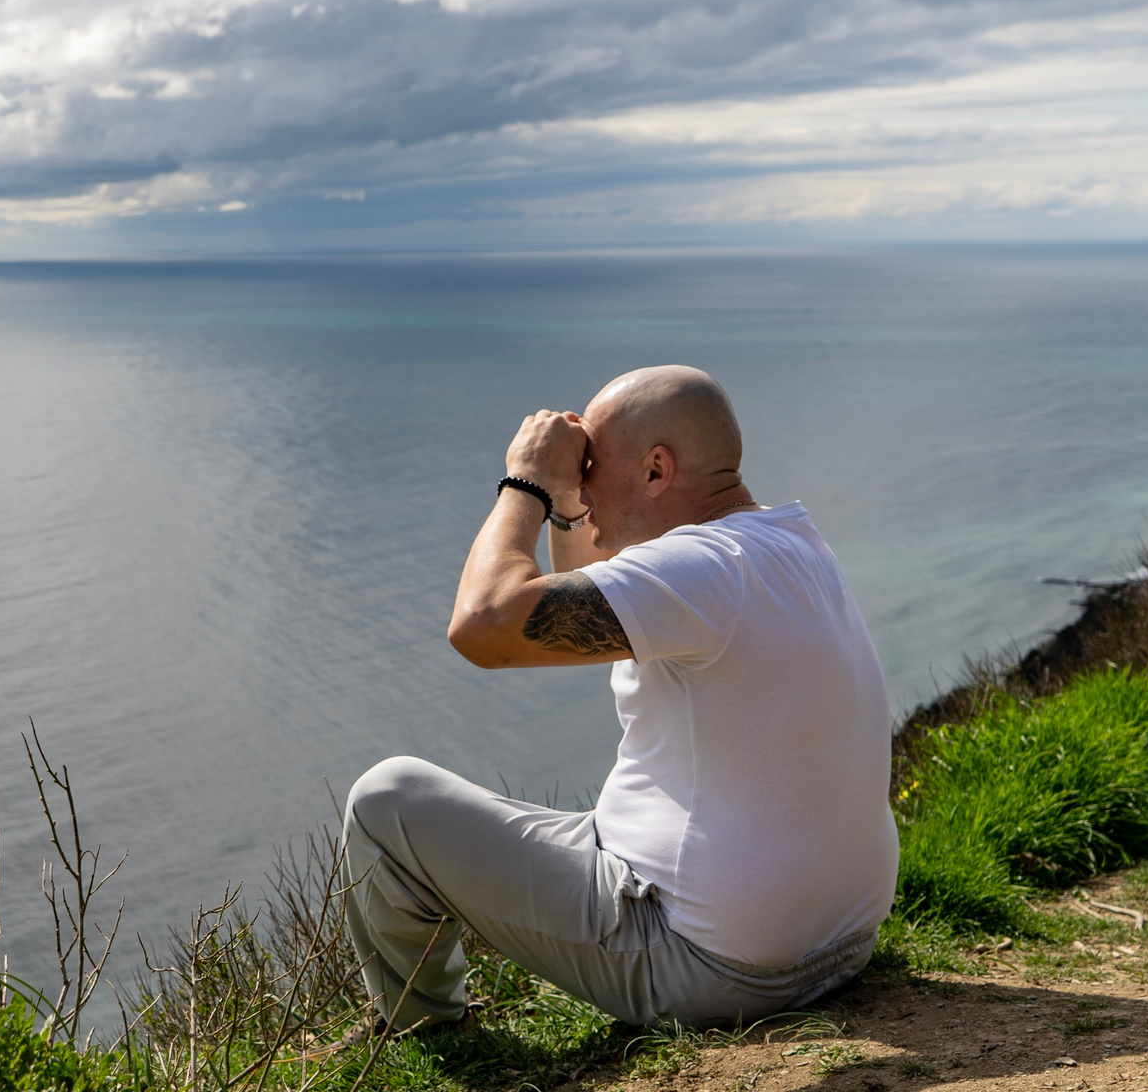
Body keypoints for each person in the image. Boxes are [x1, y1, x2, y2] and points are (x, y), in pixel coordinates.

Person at [343, 365, 896, 1032]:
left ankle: (424, 1027)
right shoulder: (788, 545)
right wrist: (574, 502)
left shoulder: (698, 569)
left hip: (715, 967)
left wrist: (527, 483)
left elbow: (483, 625)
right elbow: (581, 590)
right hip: (840, 943)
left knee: (386, 802)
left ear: (657, 470)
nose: (584, 494)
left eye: (594, 472)